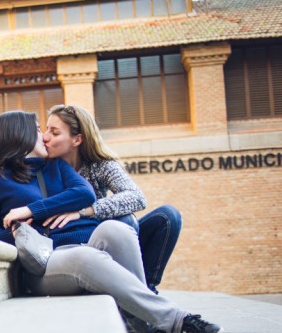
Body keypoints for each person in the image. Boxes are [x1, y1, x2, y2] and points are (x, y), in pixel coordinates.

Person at [0, 110, 223, 333]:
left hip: (87, 243)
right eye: (39, 129)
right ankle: (178, 322)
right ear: (19, 134)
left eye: (49, 131)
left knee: (117, 228)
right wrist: (19, 229)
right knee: (86, 257)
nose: (44, 136)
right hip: (45, 262)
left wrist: (32, 210)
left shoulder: (56, 167)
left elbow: (85, 194)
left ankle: (144, 322)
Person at [40, 104, 182, 294]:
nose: (45, 137)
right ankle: (134, 294)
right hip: (73, 246)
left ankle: (146, 289)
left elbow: (136, 197)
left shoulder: (99, 165)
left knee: (167, 216)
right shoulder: (43, 168)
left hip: (108, 238)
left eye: (55, 132)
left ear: (77, 139)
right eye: (46, 129)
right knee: (125, 221)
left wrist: (83, 212)